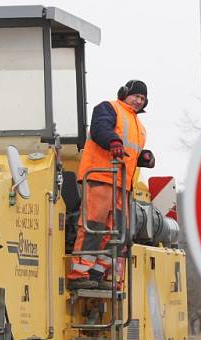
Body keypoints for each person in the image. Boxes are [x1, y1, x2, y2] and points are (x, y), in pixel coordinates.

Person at [67, 79, 155, 289]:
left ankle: (98, 273)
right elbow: (100, 130)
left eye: (142, 99)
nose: (139, 101)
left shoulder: (139, 127)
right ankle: (79, 273)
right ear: (125, 93)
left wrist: (144, 157)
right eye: (136, 96)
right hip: (101, 177)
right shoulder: (108, 108)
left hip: (123, 184)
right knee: (94, 225)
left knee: (117, 232)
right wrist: (113, 142)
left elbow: (129, 152)